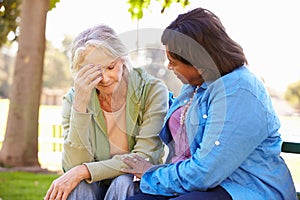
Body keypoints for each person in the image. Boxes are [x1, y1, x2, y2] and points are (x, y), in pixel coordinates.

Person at [121, 7, 297, 200]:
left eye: (173, 61)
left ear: (198, 63)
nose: (168, 67)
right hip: (201, 187)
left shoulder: (239, 91)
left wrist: (152, 174)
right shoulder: (196, 86)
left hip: (245, 189)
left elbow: (205, 172)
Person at [44, 24, 169, 200]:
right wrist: (80, 104)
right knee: (78, 187)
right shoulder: (73, 99)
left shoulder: (152, 90)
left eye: (110, 67)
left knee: (123, 182)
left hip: (133, 186)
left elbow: (142, 158)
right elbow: (73, 165)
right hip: (90, 186)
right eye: (94, 71)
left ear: (123, 59)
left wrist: (84, 170)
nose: (104, 78)